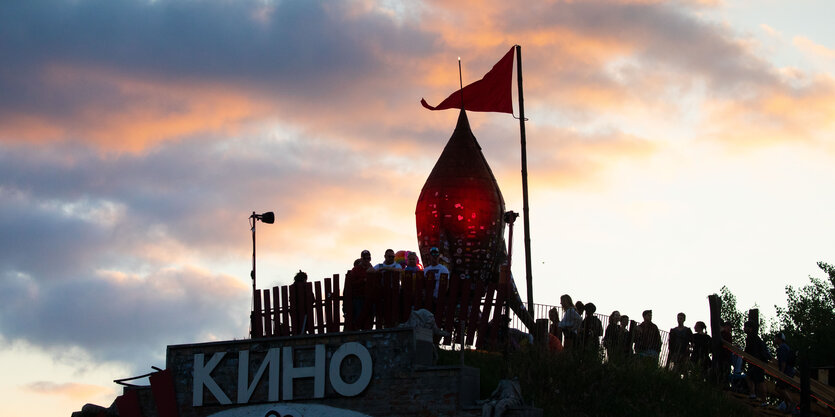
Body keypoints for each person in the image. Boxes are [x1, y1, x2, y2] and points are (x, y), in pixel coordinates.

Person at [743, 320, 770, 405]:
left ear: (750, 328)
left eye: (746, 327)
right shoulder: (755, 337)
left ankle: (762, 399)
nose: (744, 329)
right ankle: (755, 395)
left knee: (758, 381)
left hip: (757, 362)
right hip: (757, 362)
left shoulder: (751, 338)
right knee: (753, 378)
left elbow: (749, 350)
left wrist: (744, 360)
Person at [773, 332, 797, 411]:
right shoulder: (786, 347)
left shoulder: (782, 348)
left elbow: (783, 361)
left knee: (780, 388)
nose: (774, 340)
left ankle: (791, 403)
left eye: (776, 338)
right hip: (789, 371)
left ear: (779, 339)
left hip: (786, 372)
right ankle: (788, 406)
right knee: (779, 388)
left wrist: (781, 373)